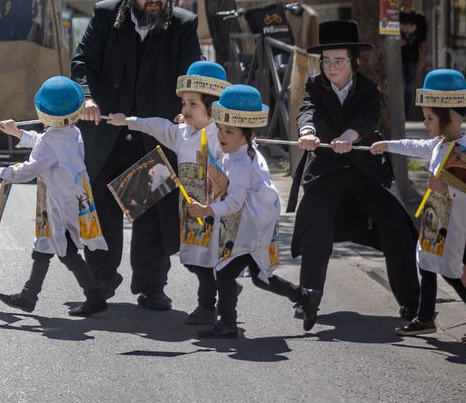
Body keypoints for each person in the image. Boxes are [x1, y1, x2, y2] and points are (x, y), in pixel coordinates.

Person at [70, 0, 201, 309]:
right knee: (102, 209)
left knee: (151, 212)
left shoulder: (183, 23)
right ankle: (102, 280)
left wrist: (187, 109)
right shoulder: (105, 15)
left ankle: (151, 286)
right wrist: (87, 97)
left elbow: (192, 73)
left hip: (152, 135)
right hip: (107, 134)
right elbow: (82, 63)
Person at [290, 19, 420, 326]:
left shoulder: (369, 88)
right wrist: (307, 132)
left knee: (397, 224)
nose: (331, 67)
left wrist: (349, 137)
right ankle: (308, 298)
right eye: (326, 61)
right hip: (327, 169)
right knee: (316, 226)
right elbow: (307, 111)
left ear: (354, 62)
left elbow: (368, 117)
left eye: (339, 61)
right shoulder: (314, 85)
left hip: (366, 168)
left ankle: (412, 302)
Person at [106, 60, 229, 325]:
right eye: (183, 103)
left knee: (207, 259)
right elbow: (157, 126)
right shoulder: (182, 134)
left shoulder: (223, 137)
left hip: (217, 210)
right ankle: (224, 288)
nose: (185, 110)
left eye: (193, 104)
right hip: (190, 211)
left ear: (214, 107)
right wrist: (127, 121)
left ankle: (207, 307)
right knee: (193, 259)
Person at [185, 85, 312, 339]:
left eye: (229, 131)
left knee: (225, 273)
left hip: (251, 228)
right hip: (255, 225)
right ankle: (305, 297)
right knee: (260, 277)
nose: (221, 136)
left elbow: (234, 203)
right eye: (220, 128)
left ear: (249, 135)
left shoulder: (241, 162)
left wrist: (206, 209)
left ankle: (228, 324)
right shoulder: (239, 153)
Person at [0, 76, 109, 317]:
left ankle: (94, 297)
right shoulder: (73, 132)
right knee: (44, 246)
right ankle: (28, 296)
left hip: (59, 205)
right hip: (70, 200)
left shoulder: (51, 141)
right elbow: (44, 142)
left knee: (66, 253)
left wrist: (4, 172)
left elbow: (28, 169)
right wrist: (17, 132)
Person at [371, 68, 466, 337]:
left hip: (454, 223)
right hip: (435, 219)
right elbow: (414, 146)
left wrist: (446, 188)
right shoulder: (439, 143)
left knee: (449, 270)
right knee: (427, 264)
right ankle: (425, 318)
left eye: (429, 118)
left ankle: (425, 317)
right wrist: (387, 145)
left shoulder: (462, 150)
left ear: (449, 118)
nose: (425, 124)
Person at [399, 0, 428, 117]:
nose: (405, 0)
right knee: (400, 85)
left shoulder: (419, 18)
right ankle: (400, 112)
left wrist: (422, 57)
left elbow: (423, 40)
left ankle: (406, 113)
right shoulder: (396, 16)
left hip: (413, 57)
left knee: (408, 86)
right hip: (399, 57)